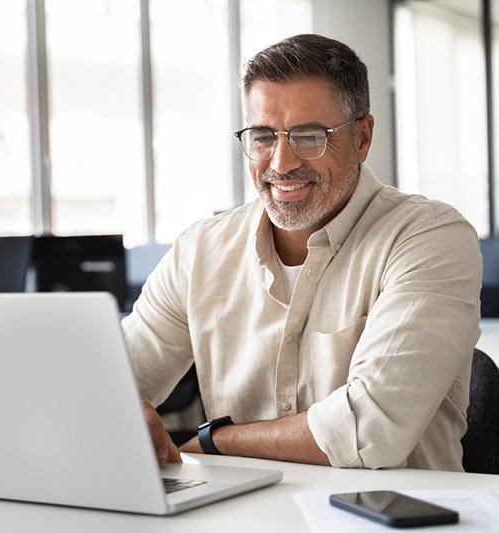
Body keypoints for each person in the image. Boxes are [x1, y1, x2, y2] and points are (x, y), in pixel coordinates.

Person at [121, 34, 481, 471]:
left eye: (309, 136)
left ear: (363, 138)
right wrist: (117, 411)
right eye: (262, 137)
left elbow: (369, 430)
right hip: (241, 515)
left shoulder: (430, 237)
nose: (281, 163)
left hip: (390, 518)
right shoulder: (200, 250)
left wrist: (213, 442)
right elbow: (113, 380)